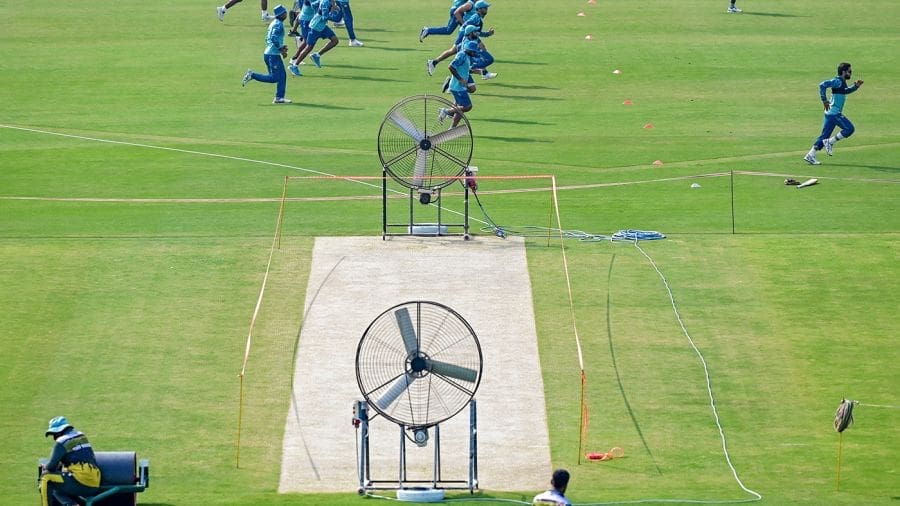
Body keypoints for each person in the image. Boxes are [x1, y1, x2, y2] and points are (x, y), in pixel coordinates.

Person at [804, 62, 864, 165]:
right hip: (834, 113)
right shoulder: (837, 81)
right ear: (844, 72)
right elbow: (822, 85)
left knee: (824, 136)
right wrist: (824, 100)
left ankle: (810, 155)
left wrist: (856, 86)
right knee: (849, 129)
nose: (851, 73)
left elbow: (845, 91)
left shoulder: (842, 82)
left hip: (830, 113)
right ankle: (830, 142)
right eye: (849, 71)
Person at [38, 416, 101, 506]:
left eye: (54, 434)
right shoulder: (81, 435)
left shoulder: (62, 441)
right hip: (95, 482)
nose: (54, 438)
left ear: (60, 432)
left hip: (81, 481)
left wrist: (45, 466)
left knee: (46, 477)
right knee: (55, 486)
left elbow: (51, 467)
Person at [241, 4, 292, 104]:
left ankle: (279, 98)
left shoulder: (274, 23)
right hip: (272, 55)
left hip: (270, 53)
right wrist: (280, 48)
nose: (286, 14)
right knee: (275, 78)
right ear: (281, 15)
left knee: (282, 76)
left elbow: (269, 38)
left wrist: (281, 48)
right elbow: (273, 38)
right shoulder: (278, 24)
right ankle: (252, 75)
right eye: (284, 12)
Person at [427, 0, 492, 76]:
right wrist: (467, 33)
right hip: (465, 34)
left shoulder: (477, 16)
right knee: (466, 52)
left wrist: (487, 34)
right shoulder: (473, 12)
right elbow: (464, 23)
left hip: (468, 34)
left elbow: (476, 31)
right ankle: (482, 72)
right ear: (480, 9)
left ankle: (434, 62)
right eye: (485, 8)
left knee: (457, 50)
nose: (487, 9)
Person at [438, 40, 480, 128]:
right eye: (474, 51)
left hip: (460, 87)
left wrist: (474, 71)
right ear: (470, 50)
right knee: (468, 107)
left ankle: (452, 128)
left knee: (460, 109)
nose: (475, 53)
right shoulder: (462, 55)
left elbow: (463, 69)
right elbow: (451, 67)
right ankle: (446, 111)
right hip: (458, 87)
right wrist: (460, 79)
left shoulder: (467, 56)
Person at [291, 0, 340, 72]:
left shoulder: (330, 1)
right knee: (308, 47)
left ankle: (317, 55)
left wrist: (334, 7)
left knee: (335, 40)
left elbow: (314, 5)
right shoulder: (325, 2)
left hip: (322, 26)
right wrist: (334, 13)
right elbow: (324, 17)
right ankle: (295, 65)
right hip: (315, 26)